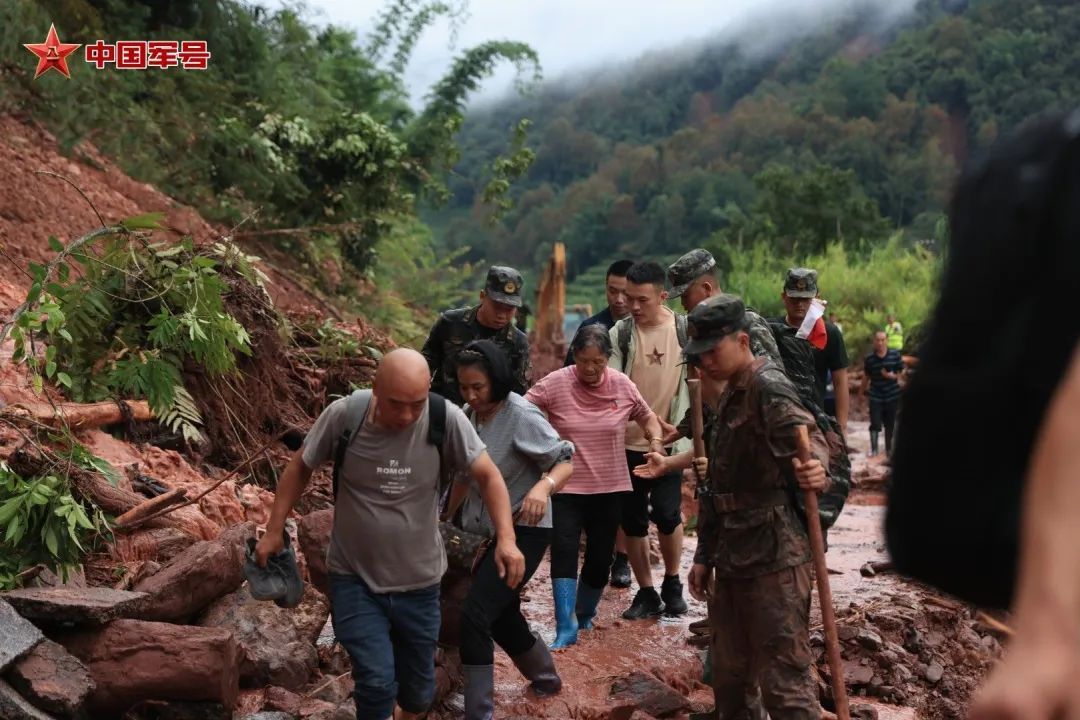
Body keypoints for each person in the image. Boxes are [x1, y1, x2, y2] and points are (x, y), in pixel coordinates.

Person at [255, 349, 526, 720]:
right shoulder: (345, 416)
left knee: (417, 695)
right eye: (395, 404)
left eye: (415, 404)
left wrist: (507, 539)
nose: (405, 416)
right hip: (355, 579)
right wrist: (273, 530)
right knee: (377, 681)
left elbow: (488, 476)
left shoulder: (444, 419)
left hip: (420, 584)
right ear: (375, 388)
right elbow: (300, 466)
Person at [683, 294, 830, 720]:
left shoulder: (768, 386)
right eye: (700, 354)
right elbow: (718, 486)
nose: (706, 362)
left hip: (774, 559)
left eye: (714, 351)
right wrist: (705, 555)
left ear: (743, 341)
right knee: (729, 680)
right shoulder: (731, 392)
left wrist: (815, 468)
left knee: (784, 684)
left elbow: (811, 438)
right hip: (732, 557)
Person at [440, 341, 574, 720]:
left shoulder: (521, 415)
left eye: (478, 387)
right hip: (479, 533)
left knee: (476, 615)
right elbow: (466, 477)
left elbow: (565, 461)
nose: (471, 395)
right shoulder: (468, 414)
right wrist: (447, 521)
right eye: (464, 387)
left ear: (496, 380)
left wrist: (542, 487)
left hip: (524, 532)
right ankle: (546, 679)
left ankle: (478, 711)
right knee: (501, 612)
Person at [527, 324, 663, 648]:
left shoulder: (621, 385)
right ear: (573, 356)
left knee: (601, 559)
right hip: (566, 486)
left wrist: (655, 441)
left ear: (607, 360)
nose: (590, 369)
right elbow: (523, 409)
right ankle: (565, 625)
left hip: (610, 487)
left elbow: (648, 417)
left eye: (598, 362)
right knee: (563, 551)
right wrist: (539, 443)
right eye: (583, 360)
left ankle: (584, 612)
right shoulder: (555, 384)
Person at [608, 261, 690, 619]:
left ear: (662, 295)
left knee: (669, 515)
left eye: (642, 299)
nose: (633, 306)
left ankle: (673, 582)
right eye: (629, 298)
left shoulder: (685, 331)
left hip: (671, 441)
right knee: (633, 520)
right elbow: (611, 385)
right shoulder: (620, 334)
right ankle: (646, 591)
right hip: (628, 442)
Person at [421, 265, 531, 406]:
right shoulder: (450, 323)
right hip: (444, 409)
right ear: (482, 296)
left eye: (509, 309)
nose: (502, 315)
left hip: (488, 419)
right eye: (497, 307)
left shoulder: (517, 342)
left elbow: (519, 394)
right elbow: (426, 364)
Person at [777, 268, 850, 435]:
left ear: (817, 297)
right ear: (784, 297)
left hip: (816, 422)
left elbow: (840, 382)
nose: (800, 304)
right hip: (778, 422)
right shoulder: (772, 330)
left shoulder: (829, 333)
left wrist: (842, 428)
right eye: (794, 298)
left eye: (805, 299)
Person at [563, 259, 634, 366]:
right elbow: (570, 371)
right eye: (613, 291)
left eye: (625, 292)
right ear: (606, 288)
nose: (619, 299)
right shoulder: (589, 328)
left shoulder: (646, 327)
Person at [862, 330, 903, 456]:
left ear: (887, 340)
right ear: (874, 342)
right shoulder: (870, 359)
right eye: (878, 340)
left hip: (892, 395)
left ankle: (889, 450)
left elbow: (902, 375)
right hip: (875, 395)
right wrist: (862, 393)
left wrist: (892, 376)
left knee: (890, 424)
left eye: (883, 340)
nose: (880, 342)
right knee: (875, 423)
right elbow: (866, 377)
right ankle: (874, 450)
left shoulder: (895, 355)